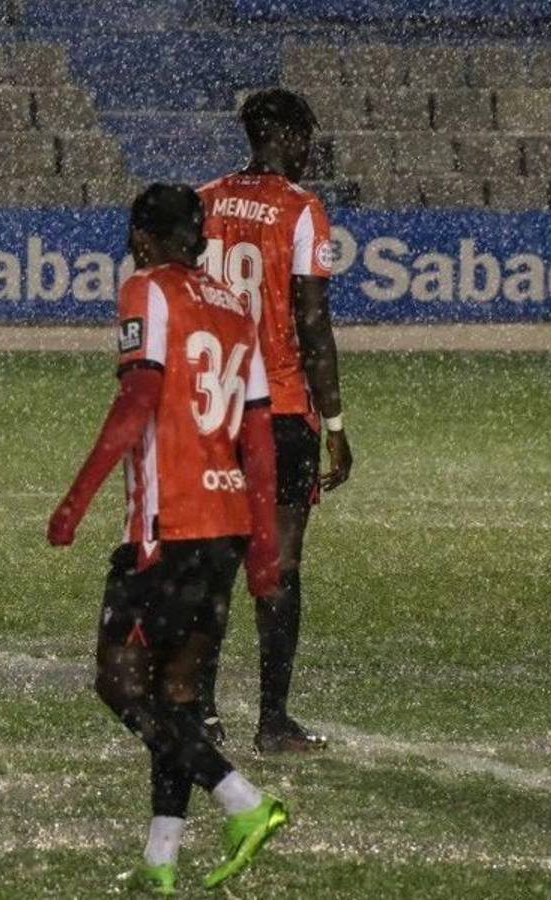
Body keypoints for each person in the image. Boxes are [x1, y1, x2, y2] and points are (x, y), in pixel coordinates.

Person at [48, 183, 287, 894]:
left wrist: (75, 500)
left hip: (168, 526)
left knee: (119, 682)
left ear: (143, 237)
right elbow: (260, 438)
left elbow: (138, 399)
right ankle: (161, 860)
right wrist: (264, 544)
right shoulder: (236, 308)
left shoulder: (147, 289)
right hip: (226, 526)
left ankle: (241, 799)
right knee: (176, 693)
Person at [196, 87, 353, 753]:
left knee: (210, 562)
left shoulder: (202, 202)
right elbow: (311, 320)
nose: (309, 149)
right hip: (280, 408)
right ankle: (272, 720)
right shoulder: (300, 208)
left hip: (213, 408)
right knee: (280, 564)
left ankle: (201, 712)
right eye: (305, 136)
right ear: (285, 136)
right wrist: (335, 422)